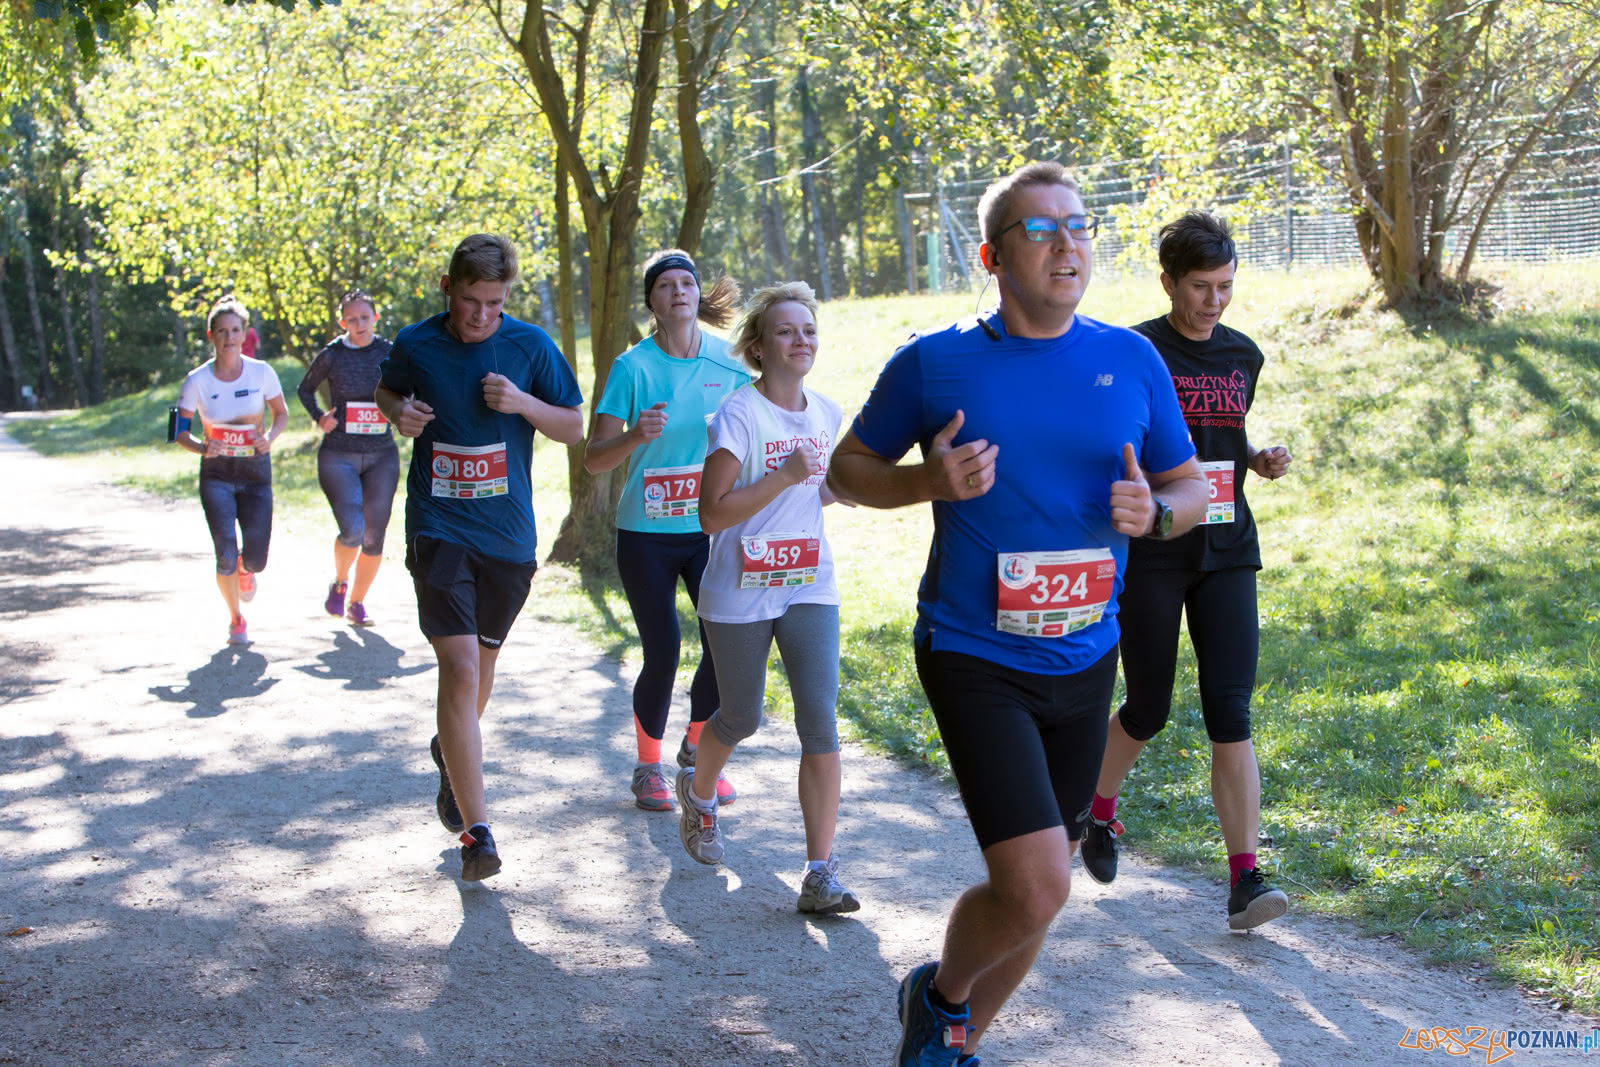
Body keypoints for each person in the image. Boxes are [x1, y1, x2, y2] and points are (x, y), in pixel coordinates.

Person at [826, 162, 1209, 1065]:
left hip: (1085, 653)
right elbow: (847, 471)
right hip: (973, 649)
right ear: (996, 256)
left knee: (1046, 887)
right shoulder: (936, 360)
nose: (1068, 242)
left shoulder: (1131, 357)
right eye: (1043, 230)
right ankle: (940, 993)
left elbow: (1190, 485)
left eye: (1078, 225)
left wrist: (1156, 513)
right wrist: (926, 479)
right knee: (1036, 882)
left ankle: (948, 1033)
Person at [1078, 211, 1293, 930]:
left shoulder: (1243, 354)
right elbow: (1116, 441)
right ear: (1169, 281)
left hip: (1227, 548)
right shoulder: (1135, 351)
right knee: (1149, 707)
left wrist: (1254, 458)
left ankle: (1244, 878)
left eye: (1226, 285)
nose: (1214, 300)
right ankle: (1098, 810)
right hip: (1155, 554)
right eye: (1200, 286)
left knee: (1231, 711)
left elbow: (1219, 436)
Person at [376, 234, 584, 882]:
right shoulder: (416, 342)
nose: (481, 317)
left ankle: (450, 753)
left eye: (494, 303)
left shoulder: (529, 346)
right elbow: (389, 393)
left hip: (508, 539)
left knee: (478, 673)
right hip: (439, 526)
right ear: (448, 288)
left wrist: (522, 403)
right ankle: (478, 833)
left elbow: (574, 424)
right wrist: (399, 413)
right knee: (461, 668)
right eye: (471, 301)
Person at [674, 281, 859, 916]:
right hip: (739, 588)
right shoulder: (739, 414)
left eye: (808, 330)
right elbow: (710, 514)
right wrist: (783, 475)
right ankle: (699, 795)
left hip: (808, 582)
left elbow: (818, 492)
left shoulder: (827, 412)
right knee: (741, 716)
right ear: (759, 345)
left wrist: (851, 489)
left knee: (819, 719)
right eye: (786, 330)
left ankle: (819, 870)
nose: (800, 340)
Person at [583, 250, 749, 811]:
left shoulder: (731, 363)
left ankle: (700, 754)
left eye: (687, 282)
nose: (678, 291)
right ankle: (648, 768)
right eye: (665, 285)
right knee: (663, 649)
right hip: (646, 534)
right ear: (652, 302)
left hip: (710, 528)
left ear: (698, 295)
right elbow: (593, 460)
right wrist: (634, 436)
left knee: (723, 646)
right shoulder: (633, 367)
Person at [174, 296, 290, 646]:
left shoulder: (262, 372)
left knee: (255, 559)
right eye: (221, 331)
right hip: (217, 474)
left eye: (235, 330)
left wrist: (269, 437)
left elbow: (281, 413)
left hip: (256, 473)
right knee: (224, 551)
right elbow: (178, 432)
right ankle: (236, 618)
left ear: (245, 334)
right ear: (211, 335)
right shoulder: (196, 381)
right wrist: (202, 446)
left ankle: (246, 569)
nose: (228, 337)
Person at [296, 289, 399, 626]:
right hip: (339, 453)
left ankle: (357, 602)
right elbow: (304, 389)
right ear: (342, 322)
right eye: (351, 319)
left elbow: (409, 388)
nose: (359, 324)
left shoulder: (389, 352)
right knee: (353, 529)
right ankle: (340, 582)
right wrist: (319, 417)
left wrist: (403, 409)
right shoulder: (333, 354)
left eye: (364, 317)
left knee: (374, 536)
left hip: (381, 454)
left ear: (375, 318)